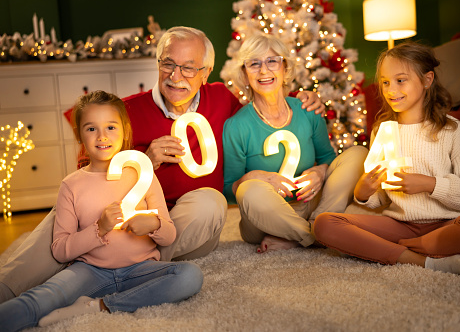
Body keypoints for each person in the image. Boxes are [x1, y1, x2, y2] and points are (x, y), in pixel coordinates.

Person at [0, 26, 323, 303]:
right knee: (65, 211)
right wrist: (146, 160)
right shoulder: (127, 112)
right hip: (129, 213)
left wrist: (305, 99)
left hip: (183, 223)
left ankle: (118, 268)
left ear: (206, 73)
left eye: (188, 68)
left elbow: (264, 108)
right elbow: (85, 169)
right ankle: (8, 287)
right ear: (158, 64)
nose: (175, 76)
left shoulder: (222, 100)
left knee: (209, 202)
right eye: (168, 64)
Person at [0, 91, 203, 331]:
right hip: (89, 271)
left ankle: (102, 306)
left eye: (110, 127)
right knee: (40, 298)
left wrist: (153, 224)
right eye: (91, 129)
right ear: (79, 135)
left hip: (140, 269)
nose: (102, 136)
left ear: (124, 131)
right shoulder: (71, 185)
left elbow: (169, 234)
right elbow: (60, 250)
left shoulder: (142, 174)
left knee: (190, 276)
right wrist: (100, 228)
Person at [313, 42, 460, 276]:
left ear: (426, 80)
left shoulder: (452, 130)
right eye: (385, 82)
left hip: (448, 224)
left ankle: (397, 251)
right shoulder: (383, 131)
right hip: (399, 225)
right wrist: (363, 192)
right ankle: (425, 261)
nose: (391, 90)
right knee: (324, 223)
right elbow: (381, 197)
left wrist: (430, 184)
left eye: (401, 80)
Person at [223, 33, 367, 253]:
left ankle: (309, 229)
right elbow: (229, 188)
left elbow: (328, 159)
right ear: (244, 74)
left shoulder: (307, 109)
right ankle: (317, 234)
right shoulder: (236, 126)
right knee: (248, 190)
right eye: (254, 64)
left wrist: (320, 172)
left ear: (285, 68)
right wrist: (254, 177)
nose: (264, 71)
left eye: (272, 61)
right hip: (263, 219)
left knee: (357, 153)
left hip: (310, 204)